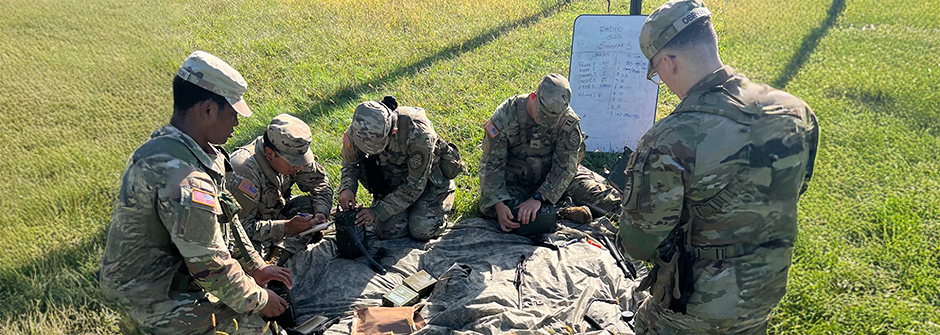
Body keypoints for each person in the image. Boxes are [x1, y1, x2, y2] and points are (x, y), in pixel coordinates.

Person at [617, 1, 820, 334]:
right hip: (766, 286)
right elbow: (796, 188)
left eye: (657, 71)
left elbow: (638, 244)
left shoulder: (671, 138)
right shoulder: (796, 111)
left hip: (697, 306)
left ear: (669, 62)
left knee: (645, 320)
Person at [100, 51, 294, 334]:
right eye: (233, 114)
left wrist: (255, 266)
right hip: (149, 298)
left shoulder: (181, 147)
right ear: (207, 110)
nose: (236, 124)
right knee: (255, 326)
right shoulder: (185, 180)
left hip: (171, 274)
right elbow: (212, 268)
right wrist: (261, 299)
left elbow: (228, 216)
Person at [478, 73, 622, 232]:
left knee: (609, 202)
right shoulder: (505, 116)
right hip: (516, 180)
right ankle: (564, 211)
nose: (546, 123)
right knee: (511, 215)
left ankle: (558, 209)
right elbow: (491, 164)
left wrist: (541, 196)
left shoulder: (567, 121)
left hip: (556, 177)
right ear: (533, 96)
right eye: (543, 115)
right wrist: (498, 203)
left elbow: (565, 166)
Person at [337, 96, 464, 241]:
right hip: (393, 180)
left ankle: (444, 196)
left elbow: (415, 185)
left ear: (393, 132)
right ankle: (404, 207)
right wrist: (347, 188)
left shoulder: (419, 135)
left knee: (422, 230)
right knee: (388, 232)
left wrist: (377, 211)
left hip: (428, 182)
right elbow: (350, 163)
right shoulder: (358, 130)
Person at [226, 113, 334, 264]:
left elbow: (320, 185)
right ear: (269, 154)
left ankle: (280, 253)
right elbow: (238, 228)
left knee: (310, 206)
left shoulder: (294, 154)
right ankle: (275, 259)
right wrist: (285, 228)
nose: (299, 167)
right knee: (249, 259)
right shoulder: (243, 171)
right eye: (294, 163)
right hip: (251, 230)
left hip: (277, 214)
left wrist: (321, 213)